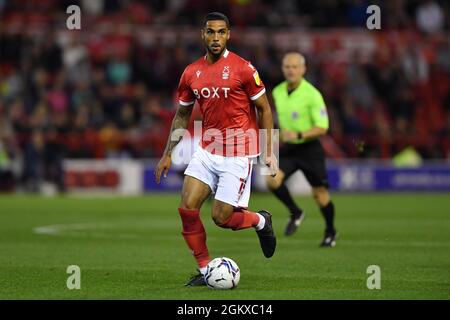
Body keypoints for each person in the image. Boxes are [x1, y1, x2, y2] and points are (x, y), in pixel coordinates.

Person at [154, 12, 278, 286]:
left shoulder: (244, 68)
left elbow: (264, 109)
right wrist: (167, 153)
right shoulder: (191, 72)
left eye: (221, 32)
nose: (216, 37)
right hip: (207, 149)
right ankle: (205, 270)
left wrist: (270, 150)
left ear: (228, 35)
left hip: (238, 152)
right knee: (187, 208)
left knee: (221, 217)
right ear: (203, 34)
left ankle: (260, 220)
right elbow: (182, 115)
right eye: (211, 32)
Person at [266, 52, 338, 247]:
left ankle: (330, 231)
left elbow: (322, 127)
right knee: (272, 180)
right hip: (290, 148)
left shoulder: (312, 94)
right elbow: (276, 122)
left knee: (319, 195)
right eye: (287, 67)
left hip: (310, 149)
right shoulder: (278, 91)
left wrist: (298, 135)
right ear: (282, 69)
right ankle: (296, 212)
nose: (291, 70)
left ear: (303, 69)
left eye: (295, 67)